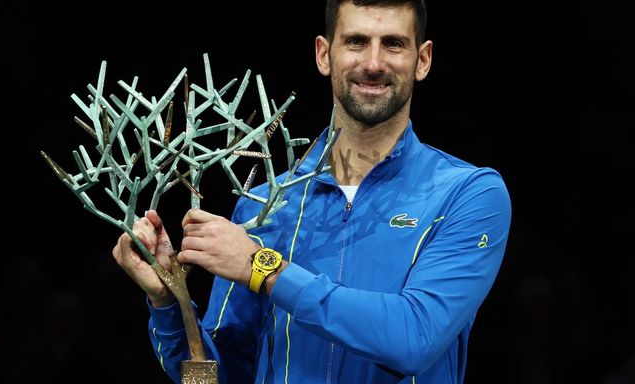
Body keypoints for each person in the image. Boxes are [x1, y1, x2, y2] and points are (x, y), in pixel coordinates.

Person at [112, 1, 511, 383]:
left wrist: (263, 269)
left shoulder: (467, 194)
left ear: (422, 60)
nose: (373, 63)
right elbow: (221, 375)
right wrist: (169, 303)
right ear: (324, 54)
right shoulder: (265, 205)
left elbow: (413, 338)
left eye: (393, 43)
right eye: (356, 42)